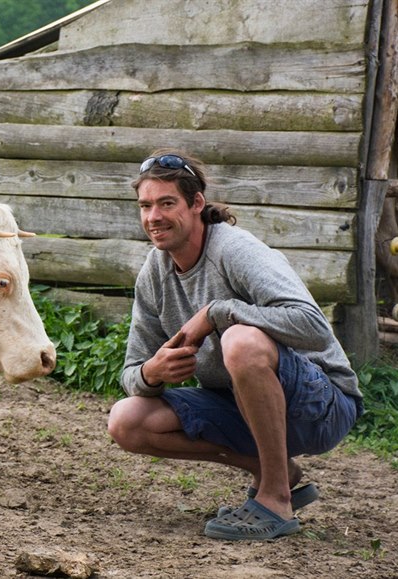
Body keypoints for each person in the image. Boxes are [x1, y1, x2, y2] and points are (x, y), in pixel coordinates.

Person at [107, 150, 363, 541]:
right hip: (241, 408)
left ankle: (276, 499)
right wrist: (150, 373)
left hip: (320, 405)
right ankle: (270, 470)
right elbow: (131, 371)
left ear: (196, 203)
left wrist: (218, 313)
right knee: (126, 419)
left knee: (241, 340)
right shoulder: (154, 272)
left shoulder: (233, 250)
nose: (153, 217)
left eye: (166, 203)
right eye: (145, 205)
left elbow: (313, 326)